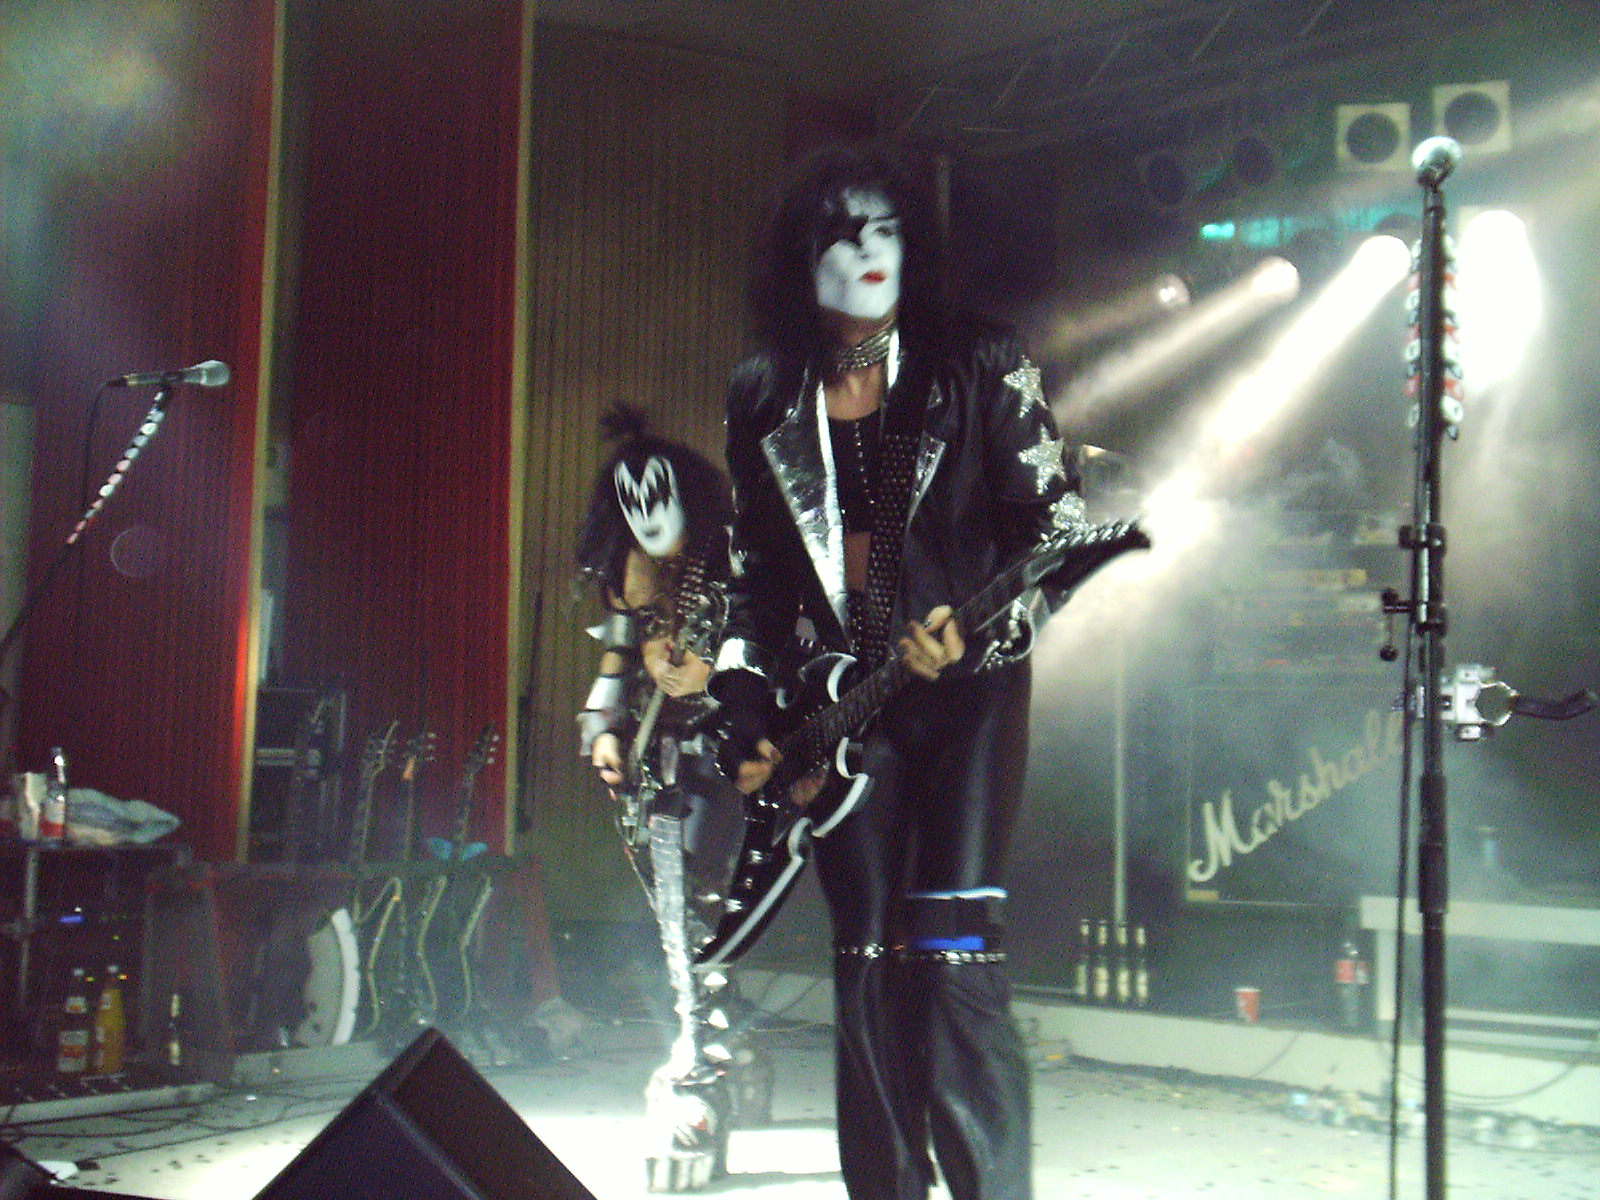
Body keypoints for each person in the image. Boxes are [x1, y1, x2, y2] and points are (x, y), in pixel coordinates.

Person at [709, 144, 1091, 1200]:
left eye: (887, 228)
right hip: (842, 715)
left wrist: (982, 629)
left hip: (967, 699)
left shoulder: (979, 363)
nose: (870, 250)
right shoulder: (764, 393)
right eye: (843, 233)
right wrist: (743, 702)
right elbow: (755, 577)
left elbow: (1057, 536)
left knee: (954, 950)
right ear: (800, 260)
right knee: (867, 959)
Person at [573, 405, 766, 1192]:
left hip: (732, 746)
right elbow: (617, 659)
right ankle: (723, 1046)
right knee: (677, 904)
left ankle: (701, 1061)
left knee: (700, 899)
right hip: (658, 751)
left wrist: (729, 686)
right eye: (633, 503)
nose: (648, 518)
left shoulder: (738, 557)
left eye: (660, 500)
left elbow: (772, 644)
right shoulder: (631, 570)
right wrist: (602, 729)